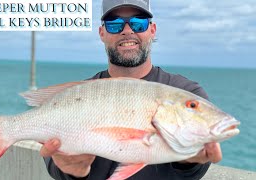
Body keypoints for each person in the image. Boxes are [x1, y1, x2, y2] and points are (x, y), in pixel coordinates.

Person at [41, 0, 222, 179]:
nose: (127, 31)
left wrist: (188, 162)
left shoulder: (187, 93)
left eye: (138, 23)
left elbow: (193, 173)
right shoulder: (79, 94)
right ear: (102, 32)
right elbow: (53, 162)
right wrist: (71, 172)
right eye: (114, 24)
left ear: (152, 30)